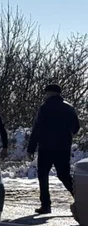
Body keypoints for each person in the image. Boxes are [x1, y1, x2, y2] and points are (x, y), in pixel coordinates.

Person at [27, 84, 81, 214]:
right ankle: (81, 199)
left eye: (46, 93)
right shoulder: (69, 107)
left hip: (46, 147)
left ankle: (46, 205)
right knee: (64, 175)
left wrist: (31, 148)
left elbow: (37, 129)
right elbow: (76, 127)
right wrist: (67, 135)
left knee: (43, 175)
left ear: (50, 93)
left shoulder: (44, 108)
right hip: (63, 147)